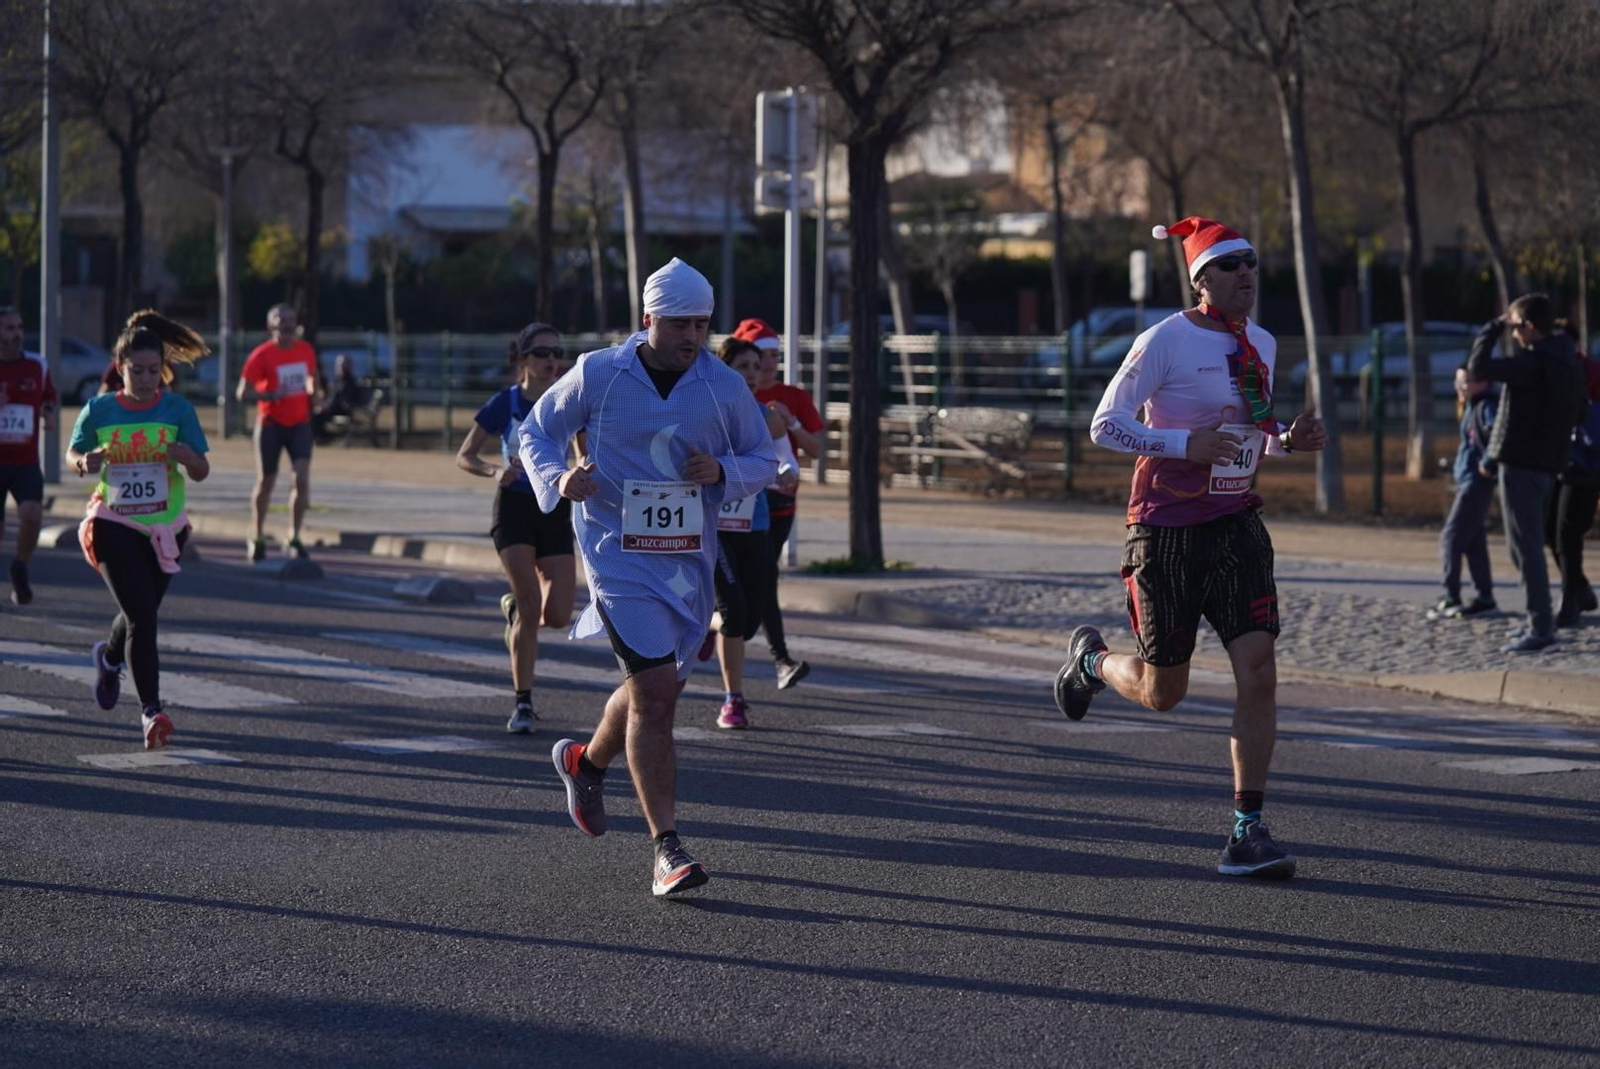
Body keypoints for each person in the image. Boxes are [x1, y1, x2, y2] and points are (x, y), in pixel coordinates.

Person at [1052, 217, 1327, 880]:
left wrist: (1286, 442)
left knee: (1259, 670)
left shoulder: (1261, 341)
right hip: (1166, 527)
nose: (1246, 274)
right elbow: (1105, 425)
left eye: (1252, 262)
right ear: (1202, 279)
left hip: (1236, 521)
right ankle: (1090, 662)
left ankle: (1246, 830)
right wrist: (1182, 445)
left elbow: (1247, 433)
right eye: (1231, 265)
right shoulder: (1164, 340)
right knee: (1163, 691)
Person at [519, 257, 777, 897]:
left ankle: (585, 762)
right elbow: (538, 432)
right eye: (679, 324)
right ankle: (668, 849)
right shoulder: (599, 373)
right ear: (648, 319)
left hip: (688, 564)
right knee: (656, 693)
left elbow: (762, 457)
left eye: (701, 324)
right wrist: (559, 478)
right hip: (617, 555)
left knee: (652, 692)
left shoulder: (721, 385)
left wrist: (723, 471)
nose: (692, 336)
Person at [66, 310, 210, 750]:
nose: (146, 380)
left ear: (162, 368)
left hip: (166, 527)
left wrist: (188, 457)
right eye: (137, 371)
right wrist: (83, 462)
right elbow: (74, 453)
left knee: (138, 614)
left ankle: (109, 659)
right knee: (143, 617)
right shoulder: (100, 409)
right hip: (114, 522)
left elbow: (201, 470)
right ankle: (151, 712)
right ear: (120, 367)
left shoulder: (178, 409)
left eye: (153, 371)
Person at [455, 322, 577, 733]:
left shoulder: (567, 402)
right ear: (523, 359)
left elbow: (583, 454)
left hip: (554, 507)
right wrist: (494, 471)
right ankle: (523, 703)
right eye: (542, 353)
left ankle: (515, 613)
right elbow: (465, 455)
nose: (551, 360)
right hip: (513, 509)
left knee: (557, 615)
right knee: (529, 603)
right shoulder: (504, 402)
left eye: (556, 352)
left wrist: (583, 473)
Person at [1466, 293, 1588, 652]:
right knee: (1527, 547)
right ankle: (1540, 620)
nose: (1514, 333)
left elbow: (1478, 367)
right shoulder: (1569, 362)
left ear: (1530, 327)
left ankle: (1540, 627)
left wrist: (1492, 328)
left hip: (1522, 464)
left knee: (1526, 548)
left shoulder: (1532, 362)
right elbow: (1580, 412)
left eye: (1516, 326)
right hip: (1551, 465)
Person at [707, 336, 800, 728]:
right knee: (735, 613)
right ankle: (733, 700)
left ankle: (705, 624)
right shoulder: (704, 412)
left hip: (755, 524)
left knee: (748, 621)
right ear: (723, 371)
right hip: (714, 526)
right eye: (741, 367)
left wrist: (787, 474)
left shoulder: (768, 417)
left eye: (755, 368)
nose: (750, 374)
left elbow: (786, 463)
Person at [735, 317, 826, 690]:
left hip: (778, 504)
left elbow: (818, 449)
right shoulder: (728, 393)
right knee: (746, 582)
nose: (768, 363)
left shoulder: (794, 396)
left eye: (773, 355)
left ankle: (780, 659)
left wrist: (790, 424)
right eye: (759, 356)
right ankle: (722, 628)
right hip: (735, 503)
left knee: (765, 578)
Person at [237, 303, 319, 562]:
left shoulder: (305, 350)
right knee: (266, 482)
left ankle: (294, 535)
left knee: (301, 479)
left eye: (291, 320)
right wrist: (271, 395)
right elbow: (243, 393)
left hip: (300, 424)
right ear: (271, 326)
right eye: (282, 321)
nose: (288, 325)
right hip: (270, 424)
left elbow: (312, 378)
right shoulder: (261, 355)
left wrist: (315, 394)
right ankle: (257, 535)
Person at [1427, 366, 1499, 620]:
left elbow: (1497, 436)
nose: (1460, 387)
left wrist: (1487, 463)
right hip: (1467, 479)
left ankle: (1451, 596)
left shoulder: (1486, 406)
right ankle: (1485, 597)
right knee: (1473, 542)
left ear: (1483, 382)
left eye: (1466, 382)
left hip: (1475, 483)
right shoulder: (1471, 406)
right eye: (1458, 382)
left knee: (1450, 538)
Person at [0, 305, 58, 606]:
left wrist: (48, 413)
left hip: (25, 460)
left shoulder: (37, 364)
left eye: (19, 327)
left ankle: (20, 566)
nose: (17, 334)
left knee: (32, 514)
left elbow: (49, 396)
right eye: (9, 328)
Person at [1547, 339, 1600, 627]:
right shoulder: (1550, 368)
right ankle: (1580, 589)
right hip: (1555, 462)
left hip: (1584, 466)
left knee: (1567, 533)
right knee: (1549, 531)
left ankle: (1571, 599)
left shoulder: (1588, 373)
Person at [312, 353, 362, 442]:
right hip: (336, 408)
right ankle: (322, 436)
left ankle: (323, 437)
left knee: (317, 414)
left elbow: (340, 399)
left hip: (342, 410)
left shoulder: (348, 382)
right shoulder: (340, 380)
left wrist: (326, 406)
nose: (338, 367)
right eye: (338, 365)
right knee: (316, 412)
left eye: (341, 365)